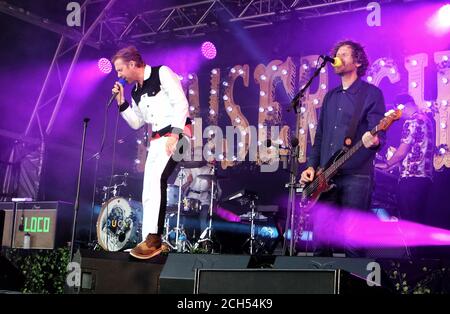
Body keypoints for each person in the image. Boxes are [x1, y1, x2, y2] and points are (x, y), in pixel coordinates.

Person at [299, 40, 386, 257]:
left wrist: (375, 139)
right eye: (337, 54)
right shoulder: (330, 96)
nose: (338, 58)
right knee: (320, 242)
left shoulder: (371, 94)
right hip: (325, 177)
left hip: (356, 175)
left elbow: (379, 132)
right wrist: (311, 166)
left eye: (344, 54)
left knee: (353, 243)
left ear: (357, 61)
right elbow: (319, 137)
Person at [111, 46, 191, 259]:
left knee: (157, 180)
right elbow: (137, 122)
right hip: (157, 140)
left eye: (120, 70)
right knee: (148, 187)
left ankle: (154, 239)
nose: (118, 75)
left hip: (179, 135)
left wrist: (175, 135)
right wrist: (121, 103)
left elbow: (181, 103)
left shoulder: (161, 73)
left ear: (131, 64)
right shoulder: (135, 91)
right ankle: (148, 239)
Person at [376, 94, 434, 226]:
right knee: (419, 223)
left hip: (410, 180)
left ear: (404, 106)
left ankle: (410, 248)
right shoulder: (426, 120)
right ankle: (418, 248)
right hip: (424, 180)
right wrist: (392, 166)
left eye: (398, 111)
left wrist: (386, 164)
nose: (399, 116)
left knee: (409, 223)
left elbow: (403, 150)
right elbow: (415, 152)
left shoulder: (412, 122)